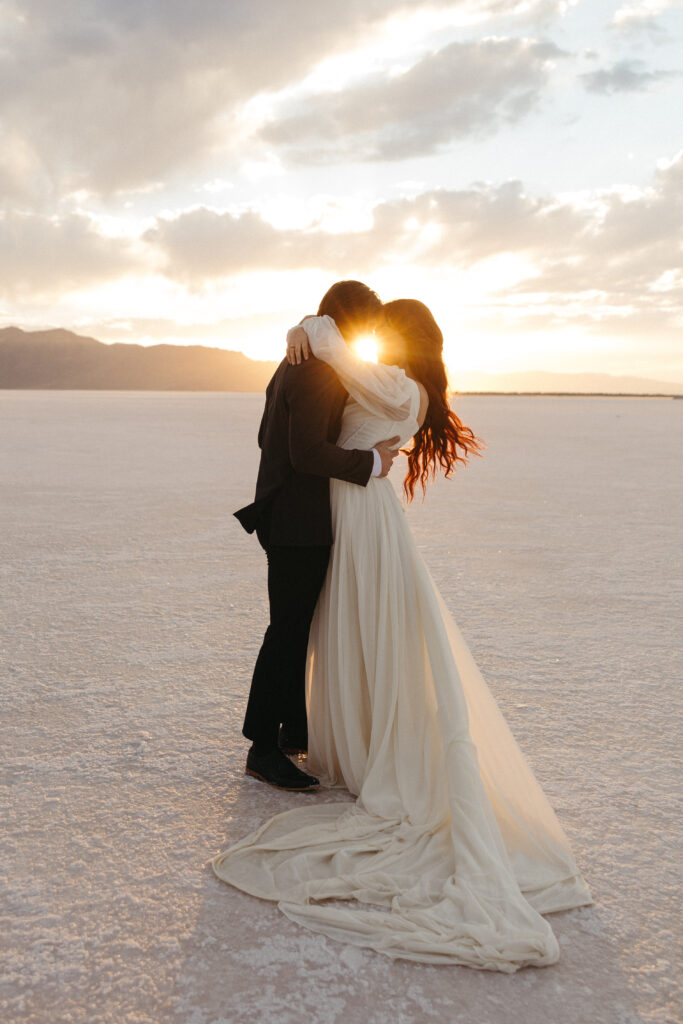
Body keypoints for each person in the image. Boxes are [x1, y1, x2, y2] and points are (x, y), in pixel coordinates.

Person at [213, 299, 593, 970]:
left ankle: (299, 737)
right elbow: (310, 419)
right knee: (321, 625)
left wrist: (310, 330)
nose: (376, 335)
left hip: (354, 513)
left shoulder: (388, 382)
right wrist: (304, 330)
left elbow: (333, 363)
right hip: (335, 513)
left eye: (387, 328)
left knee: (332, 624)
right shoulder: (366, 374)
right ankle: (293, 735)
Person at [233, 280, 402, 792]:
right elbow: (306, 452)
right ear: (348, 324)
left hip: (288, 514)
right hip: (296, 520)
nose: (366, 337)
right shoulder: (317, 370)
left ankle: (289, 730)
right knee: (287, 631)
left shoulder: (298, 357)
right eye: (366, 328)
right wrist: (372, 461)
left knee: (296, 627)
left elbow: (269, 436)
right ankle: (263, 748)